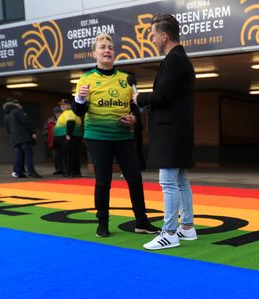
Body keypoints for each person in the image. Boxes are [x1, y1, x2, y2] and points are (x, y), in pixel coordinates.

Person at [72, 33, 159, 238]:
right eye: (102, 47)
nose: (107, 50)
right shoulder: (85, 79)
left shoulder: (126, 79)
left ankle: (141, 222)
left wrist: (133, 120)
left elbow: (134, 110)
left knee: (135, 179)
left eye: (110, 47)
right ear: (95, 53)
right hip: (97, 137)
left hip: (123, 138)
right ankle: (102, 222)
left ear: (114, 53)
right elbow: (77, 112)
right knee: (103, 181)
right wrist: (80, 98)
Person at [132, 14, 197, 250]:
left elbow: (162, 96)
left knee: (168, 182)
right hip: (177, 130)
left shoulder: (174, 60)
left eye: (153, 35)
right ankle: (187, 228)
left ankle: (169, 232)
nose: (152, 40)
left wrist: (140, 98)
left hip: (170, 131)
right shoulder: (181, 60)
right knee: (180, 181)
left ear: (164, 35)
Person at [3, 98, 42, 178]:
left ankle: (19, 172)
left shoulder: (7, 115)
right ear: (16, 104)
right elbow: (26, 122)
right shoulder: (18, 111)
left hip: (15, 139)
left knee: (18, 155)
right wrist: (33, 132)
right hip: (25, 137)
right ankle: (31, 172)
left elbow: (8, 129)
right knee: (28, 155)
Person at [55, 99, 83, 177]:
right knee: (72, 155)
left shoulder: (69, 112)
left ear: (69, 105)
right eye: (61, 105)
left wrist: (68, 134)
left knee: (69, 155)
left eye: (64, 104)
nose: (62, 106)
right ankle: (75, 172)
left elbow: (71, 122)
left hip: (69, 137)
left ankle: (70, 172)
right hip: (72, 137)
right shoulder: (68, 112)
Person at [45, 106, 62, 174]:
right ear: (54, 113)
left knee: (63, 155)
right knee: (56, 156)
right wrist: (47, 139)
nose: (58, 114)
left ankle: (65, 169)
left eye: (59, 112)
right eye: (57, 113)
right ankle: (58, 169)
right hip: (53, 140)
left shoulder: (63, 118)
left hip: (62, 139)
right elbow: (46, 130)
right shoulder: (50, 120)